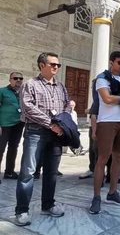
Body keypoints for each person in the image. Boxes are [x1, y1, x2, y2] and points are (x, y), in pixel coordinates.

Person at [15, 52, 70, 226]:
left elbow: (67, 105)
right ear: (41, 65)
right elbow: (28, 108)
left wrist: (62, 123)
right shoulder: (30, 85)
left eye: (58, 65)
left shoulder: (61, 87)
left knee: (52, 172)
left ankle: (48, 205)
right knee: (28, 172)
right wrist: (50, 123)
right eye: (53, 64)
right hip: (35, 132)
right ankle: (22, 211)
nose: (56, 67)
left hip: (55, 135)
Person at [89, 51, 120, 214]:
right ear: (111, 63)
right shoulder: (102, 78)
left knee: (119, 158)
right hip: (107, 122)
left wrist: (116, 96)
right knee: (102, 158)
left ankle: (112, 193)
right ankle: (96, 197)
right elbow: (106, 100)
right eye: (119, 63)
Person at [0, 72, 24, 183]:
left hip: (18, 124)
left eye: (20, 78)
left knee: (13, 148)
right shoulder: (2, 91)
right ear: (10, 80)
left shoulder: (24, 93)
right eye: (15, 78)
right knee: (0, 149)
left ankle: (9, 172)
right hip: (4, 125)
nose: (18, 80)